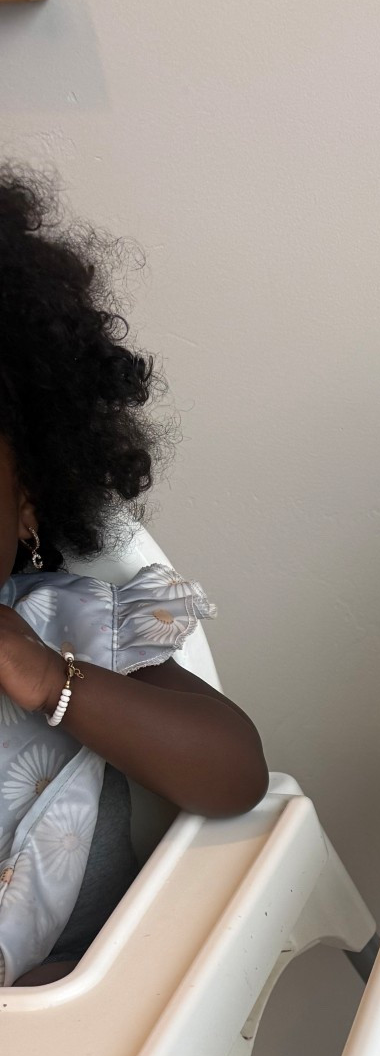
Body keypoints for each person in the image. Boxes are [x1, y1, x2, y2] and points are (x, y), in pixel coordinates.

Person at [0, 168, 267, 988]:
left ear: (28, 507)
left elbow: (235, 772)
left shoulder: (77, 625)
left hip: (74, 1023)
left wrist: (53, 681)